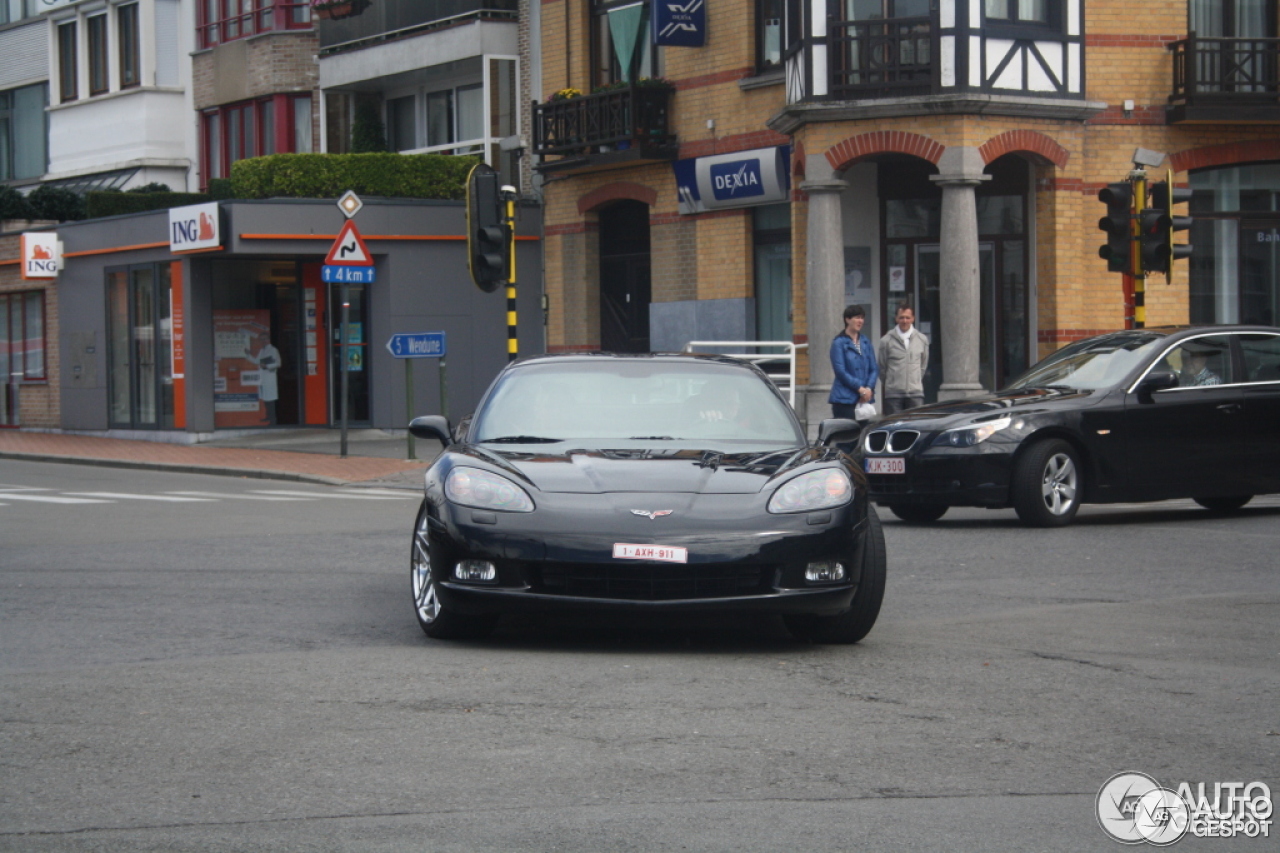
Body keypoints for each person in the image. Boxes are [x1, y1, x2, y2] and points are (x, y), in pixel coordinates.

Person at [877, 302, 929, 415]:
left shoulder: (922, 339)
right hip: (893, 395)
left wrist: (915, 380)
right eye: (901, 317)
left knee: (916, 427)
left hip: (915, 393)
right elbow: (882, 367)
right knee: (895, 428)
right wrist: (892, 383)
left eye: (907, 317)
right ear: (896, 319)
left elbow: (923, 365)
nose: (904, 321)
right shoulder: (886, 341)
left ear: (913, 319)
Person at [828, 305, 878, 421]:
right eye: (857, 317)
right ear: (847, 319)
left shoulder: (865, 341)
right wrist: (860, 389)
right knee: (846, 436)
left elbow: (874, 368)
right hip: (844, 399)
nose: (860, 321)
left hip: (864, 399)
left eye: (862, 318)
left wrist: (869, 388)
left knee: (863, 435)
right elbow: (840, 371)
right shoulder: (838, 343)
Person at [245, 331, 281, 425]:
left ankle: (273, 420)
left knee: (270, 400)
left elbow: (278, 363)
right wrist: (248, 355)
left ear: (269, 339)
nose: (263, 341)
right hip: (263, 378)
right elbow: (257, 361)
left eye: (265, 339)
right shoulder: (262, 350)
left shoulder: (273, 350)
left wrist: (267, 366)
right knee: (265, 398)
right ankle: (268, 416)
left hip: (269, 377)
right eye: (262, 339)